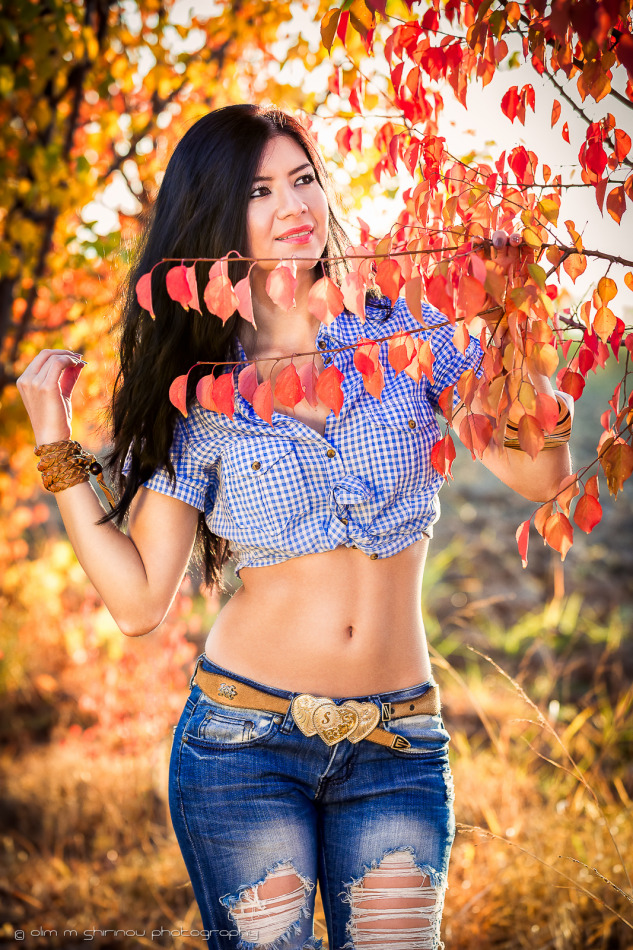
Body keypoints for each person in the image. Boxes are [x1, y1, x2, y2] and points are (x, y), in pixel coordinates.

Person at [16, 104, 573, 950]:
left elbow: (542, 476)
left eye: (304, 178)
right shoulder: (198, 386)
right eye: (260, 189)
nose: (294, 206)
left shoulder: (403, 327)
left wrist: (513, 324)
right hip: (244, 744)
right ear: (216, 215)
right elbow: (136, 601)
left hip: (397, 741)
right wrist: (53, 440)